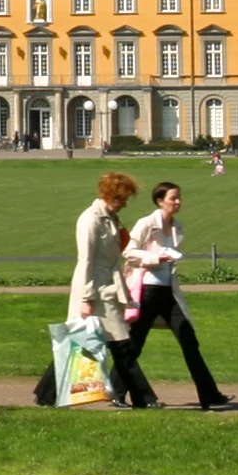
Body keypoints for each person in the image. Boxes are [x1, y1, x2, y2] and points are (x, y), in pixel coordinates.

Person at [121, 181, 234, 411]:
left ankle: (209, 394)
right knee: (135, 343)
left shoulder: (177, 227)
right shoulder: (146, 223)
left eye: (179, 198)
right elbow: (128, 252)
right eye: (173, 198)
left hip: (167, 290)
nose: (178, 202)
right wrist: (156, 258)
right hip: (147, 289)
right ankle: (117, 389)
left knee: (188, 339)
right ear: (160, 201)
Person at [69, 172, 159, 408]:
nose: (125, 203)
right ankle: (144, 398)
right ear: (110, 196)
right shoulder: (90, 220)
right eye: (122, 198)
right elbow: (86, 260)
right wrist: (86, 298)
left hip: (108, 286)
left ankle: (46, 394)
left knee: (84, 343)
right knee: (122, 345)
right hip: (97, 289)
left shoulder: (110, 219)